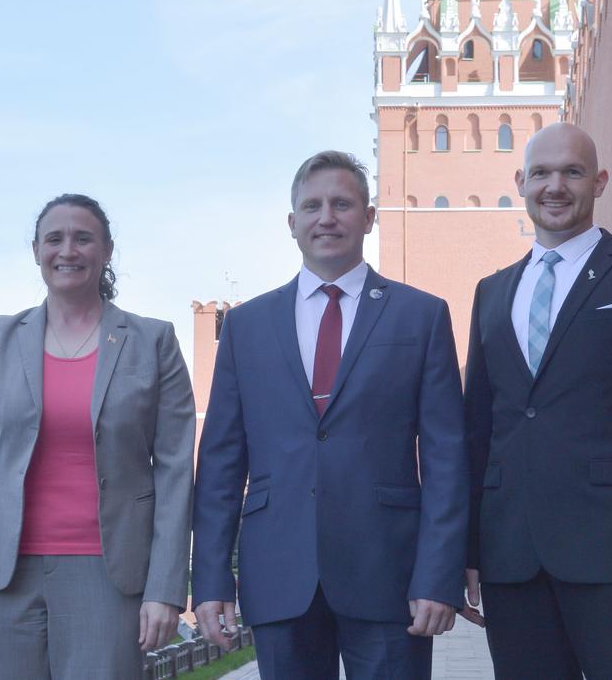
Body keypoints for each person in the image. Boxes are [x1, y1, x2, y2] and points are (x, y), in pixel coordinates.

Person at [192, 151, 468, 679]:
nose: (327, 217)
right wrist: (210, 581)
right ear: (291, 222)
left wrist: (438, 575)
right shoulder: (247, 326)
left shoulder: (420, 315)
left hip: (390, 572)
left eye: (343, 204)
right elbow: (222, 463)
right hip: (278, 571)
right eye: (312, 206)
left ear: (369, 217)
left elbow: (446, 457)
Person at [463, 123, 612, 679]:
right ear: (520, 182)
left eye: (572, 172)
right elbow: (479, 431)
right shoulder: (491, 292)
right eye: (542, 173)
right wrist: (471, 551)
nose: (556, 186)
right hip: (512, 558)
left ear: (598, 182)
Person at [0, 194, 195, 679]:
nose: (67, 250)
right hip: (1, 579)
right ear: (36, 251)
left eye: (83, 238)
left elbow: (177, 472)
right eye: (54, 239)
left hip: (110, 577)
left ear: (106, 250)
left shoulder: (153, 342)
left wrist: (165, 588)